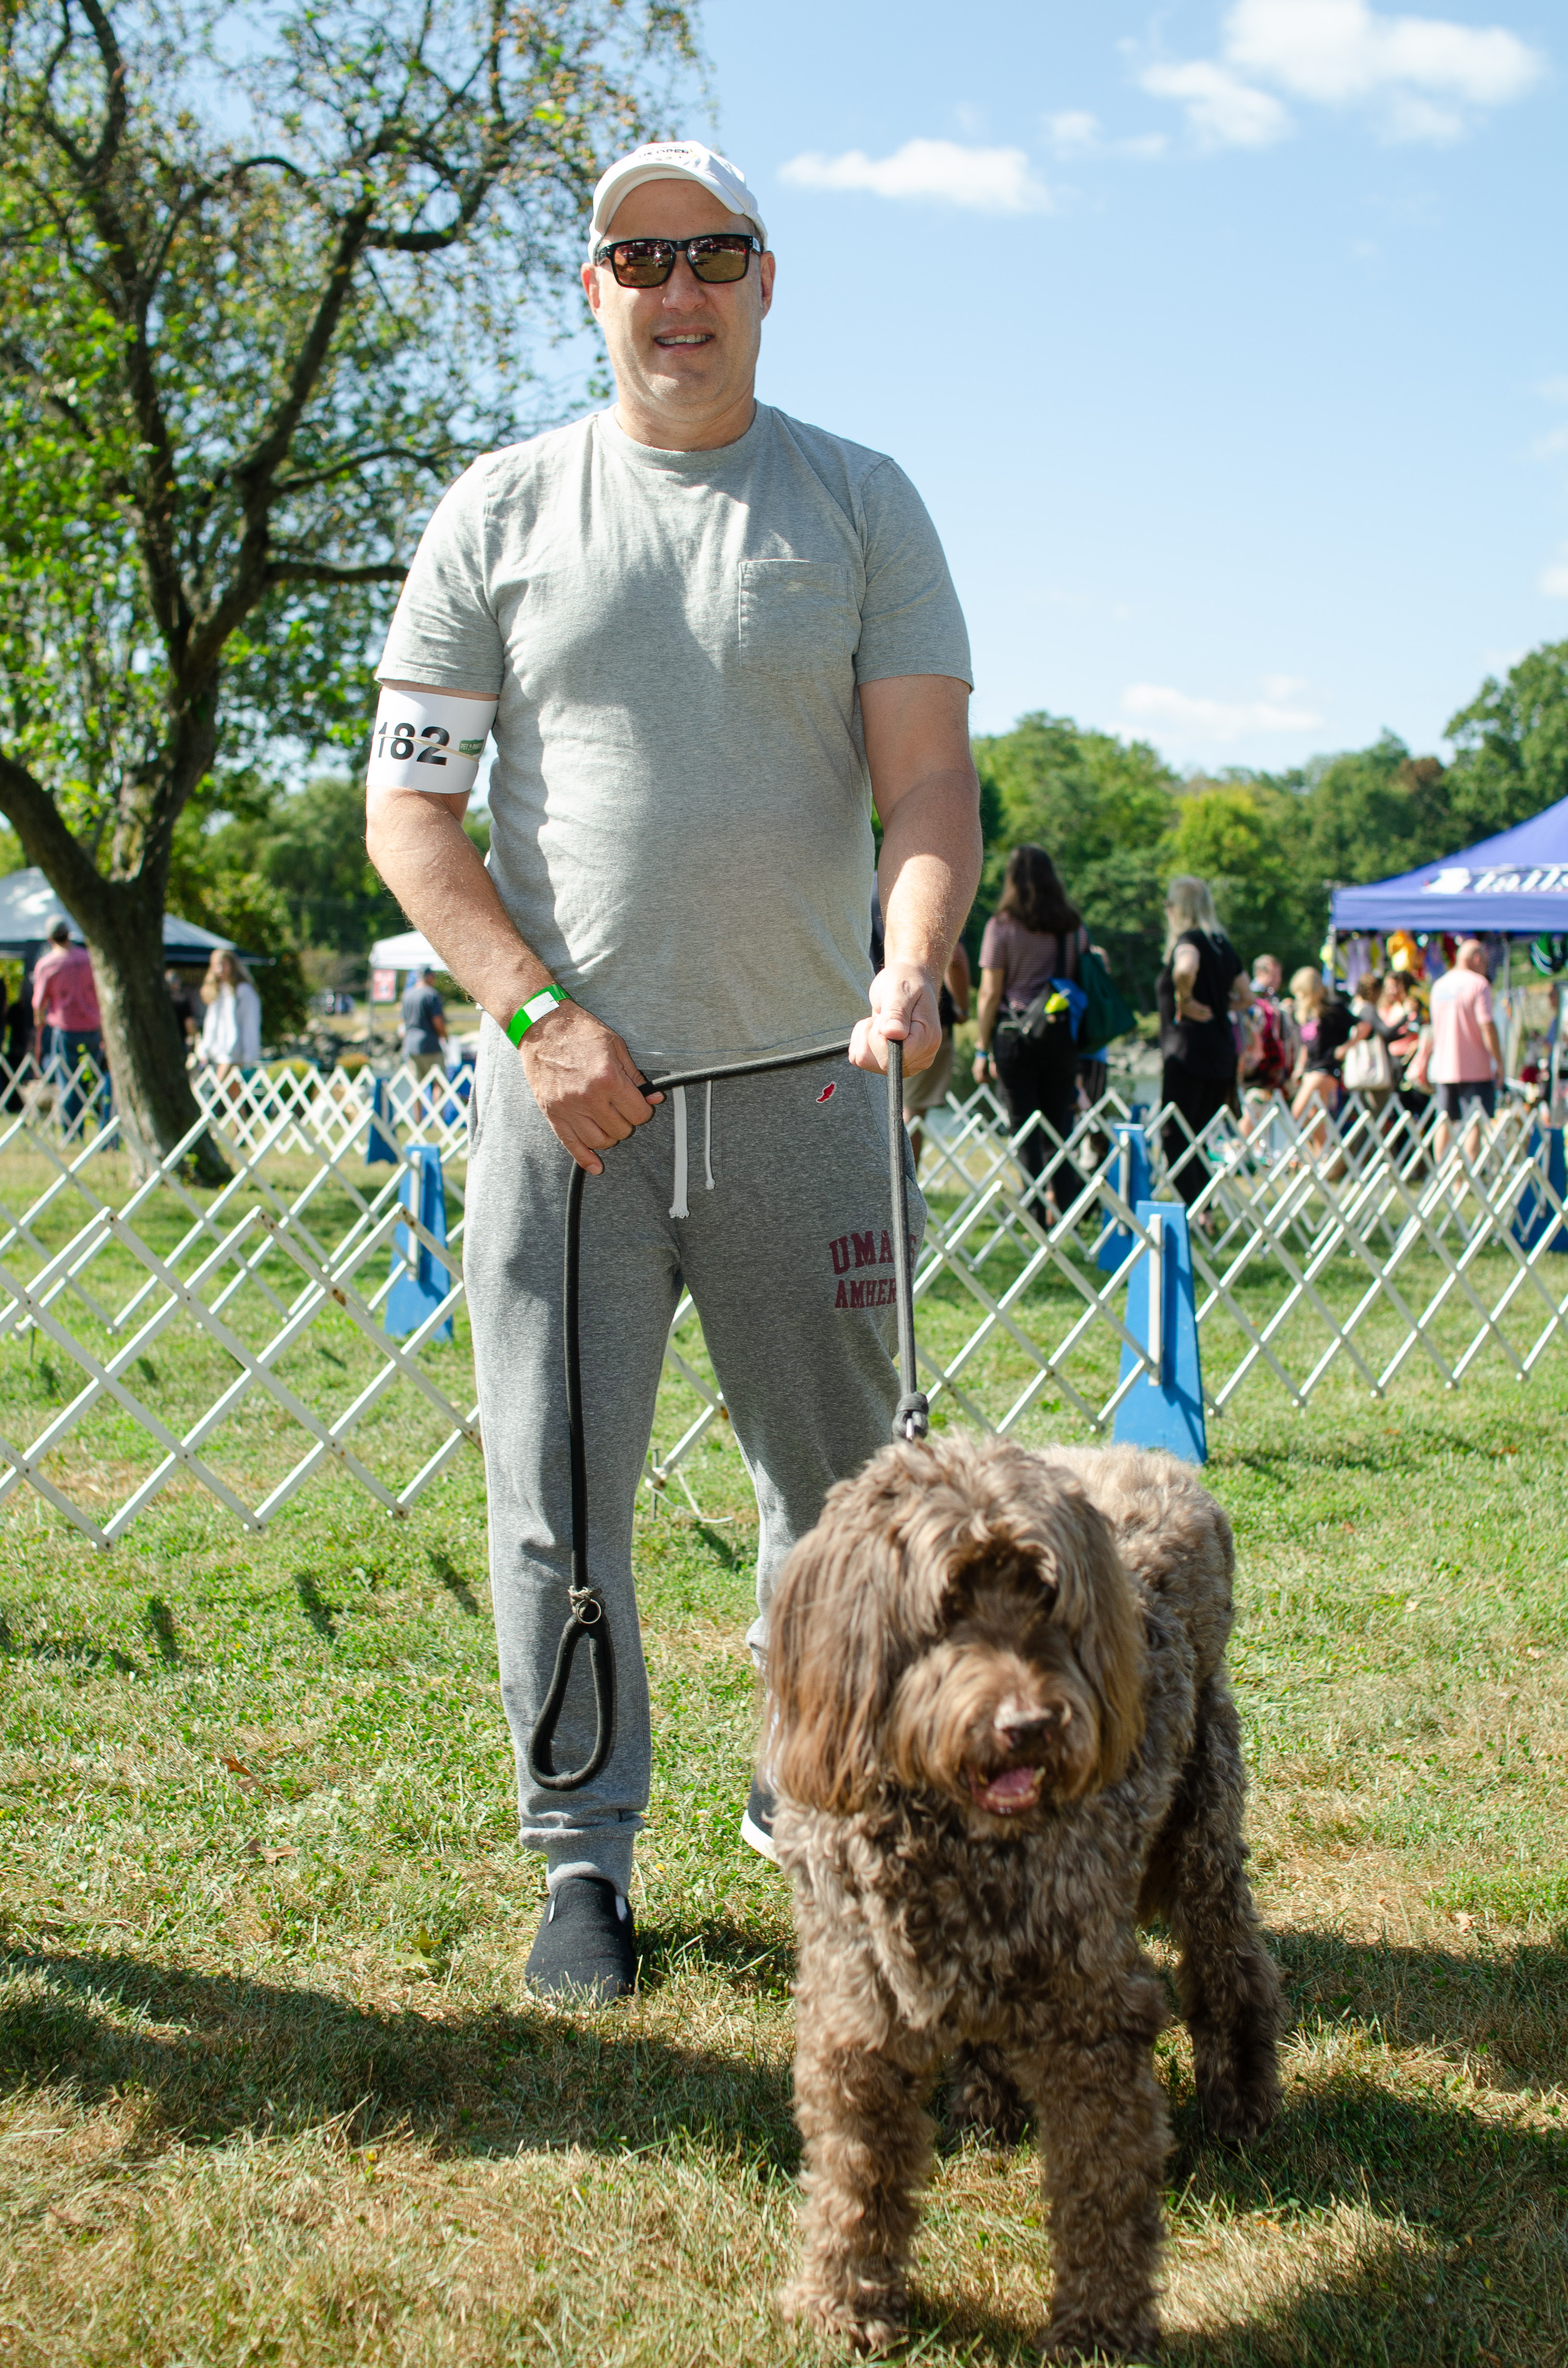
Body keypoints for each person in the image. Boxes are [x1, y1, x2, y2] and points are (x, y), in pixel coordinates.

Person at [363, 139, 980, 2000]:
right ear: (595, 290)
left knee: (849, 1499)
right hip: (573, 1100)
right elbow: (409, 814)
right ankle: (583, 1853)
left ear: (767, 280)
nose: (677, 290)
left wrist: (914, 960)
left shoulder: (861, 501)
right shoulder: (498, 509)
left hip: (813, 1083)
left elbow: (928, 784)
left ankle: (826, 1804)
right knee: (559, 1491)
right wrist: (534, 1013)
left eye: (711, 253)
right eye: (640, 260)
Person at [972, 845, 1092, 1224]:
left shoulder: (1002, 927)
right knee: (1060, 1125)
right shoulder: (1073, 928)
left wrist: (981, 1048)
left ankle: (1036, 1211)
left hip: (1015, 1034)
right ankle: (1068, 1208)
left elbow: (990, 992)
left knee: (1023, 1126)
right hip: (1061, 1034)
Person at [1154, 877, 1247, 1211]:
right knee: (1200, 1136)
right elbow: (1247, 996)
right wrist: (1221, 1006)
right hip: (1221, 1052)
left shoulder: (1189, 941)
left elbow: (1184, 969)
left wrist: (1186, 1000)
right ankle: (1203, 1209)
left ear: (1179, 908)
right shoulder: (1223, 945)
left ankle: (1193, 1210)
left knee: (1175, 1133)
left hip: (1189, 1052)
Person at [1429, 936, 1503, 1162]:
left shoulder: (1439, 986)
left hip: (1444, 1068)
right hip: (1476, 1068)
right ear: (1478, 959)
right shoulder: (1479, 984)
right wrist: (1499, 1062)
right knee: (1475, 1123)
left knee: (1445, 1121)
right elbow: (1487, 1025)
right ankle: (1467, 1175)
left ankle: (1443, 1172)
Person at [32, 918, 104, 1135]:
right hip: (93, 1028)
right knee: (93, 1080)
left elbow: (38, 1004)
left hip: (65, 1030)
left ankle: (71, 1132)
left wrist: (39, 1023)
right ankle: (101, 1127)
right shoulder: (89, 959)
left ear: (50, 938)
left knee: (67, 1082)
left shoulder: (48, 964)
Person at [902, 940, 970, 1169]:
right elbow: (955, 958)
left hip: (867, 1017)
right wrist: (963, 1008)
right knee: (912, 1111)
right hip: (923, 1019)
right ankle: (903, 1184)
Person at [1288, 967, 1353, 1157]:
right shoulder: (1307, 1015)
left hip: (1326, 1069)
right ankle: (1324, 1156)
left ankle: (1318, 1156)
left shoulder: (1334, 1009)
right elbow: (1306, 1046)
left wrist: (1345, 1048)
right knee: (1315, 1117)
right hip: (1311, 1069)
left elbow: (1364, 1027)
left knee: (1298, 1112)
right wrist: (1300, 1068)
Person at [198, 950, 263, 1088]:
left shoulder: (244, 991)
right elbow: (211, 1024)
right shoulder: (219, 992)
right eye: (216, 965)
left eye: (224, 965)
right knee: (231, 1094)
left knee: (219, 1089)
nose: (220, 970)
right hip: (219, 1053)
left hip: (236, 1053)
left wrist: (250, 1054)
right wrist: (206, 1048)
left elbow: (251, 1023)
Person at [399, 965, 449, 1077]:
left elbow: (403, 1021)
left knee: (416, 1082)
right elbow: (437, 1021)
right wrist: (445, 1036)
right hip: (429, 1044)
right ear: (429, 976)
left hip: (410, 1044)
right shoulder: (431, 994)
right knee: (439, 1080)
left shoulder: (407, 995)